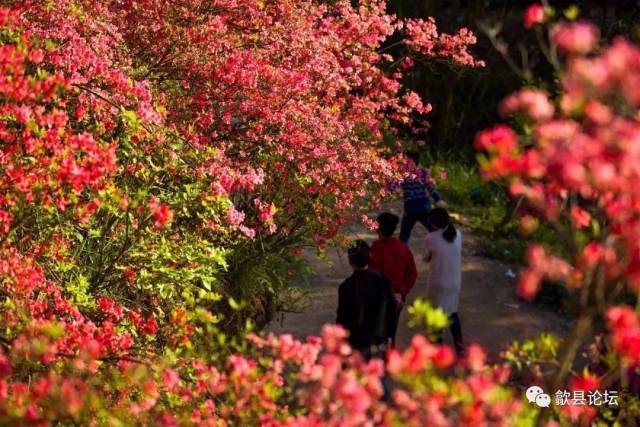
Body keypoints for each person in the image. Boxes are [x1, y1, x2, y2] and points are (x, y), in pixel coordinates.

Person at [336, 239, 397, 360]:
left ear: (350, 260)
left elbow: (342, 318)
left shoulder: (346, 286)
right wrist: (390, 335)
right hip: (379, 340)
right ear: (370, 256)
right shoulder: (381, 279)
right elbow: (391, 308)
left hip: (355, 342)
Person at [369, 212, 417, 344]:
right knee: (391, 330)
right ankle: (390, 356)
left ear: (378, 228)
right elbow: (412, 273)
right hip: (397, 298)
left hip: (380, 298)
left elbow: (371, 276)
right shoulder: (402, 248)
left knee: (378, 329)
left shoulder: (375, 249)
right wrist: (402, 291)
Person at [423, 207, 464, 355]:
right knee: (452, 312)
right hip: (454, 281)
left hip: (438, 282)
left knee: (437, 312)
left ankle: (438, 346)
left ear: (433, 223)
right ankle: (459, 344)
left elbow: (426, 258)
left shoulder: (430, 238)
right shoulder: (458, 234)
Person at [393, 151, 444, 244]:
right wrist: (438, 199)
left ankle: (401, 255)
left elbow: (392, 187)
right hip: (424, 207)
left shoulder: (402, 174)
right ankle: (443, 246)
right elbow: (430, 187)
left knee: (404, 236)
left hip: (410, 208)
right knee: (434, 230)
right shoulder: (423, 172)